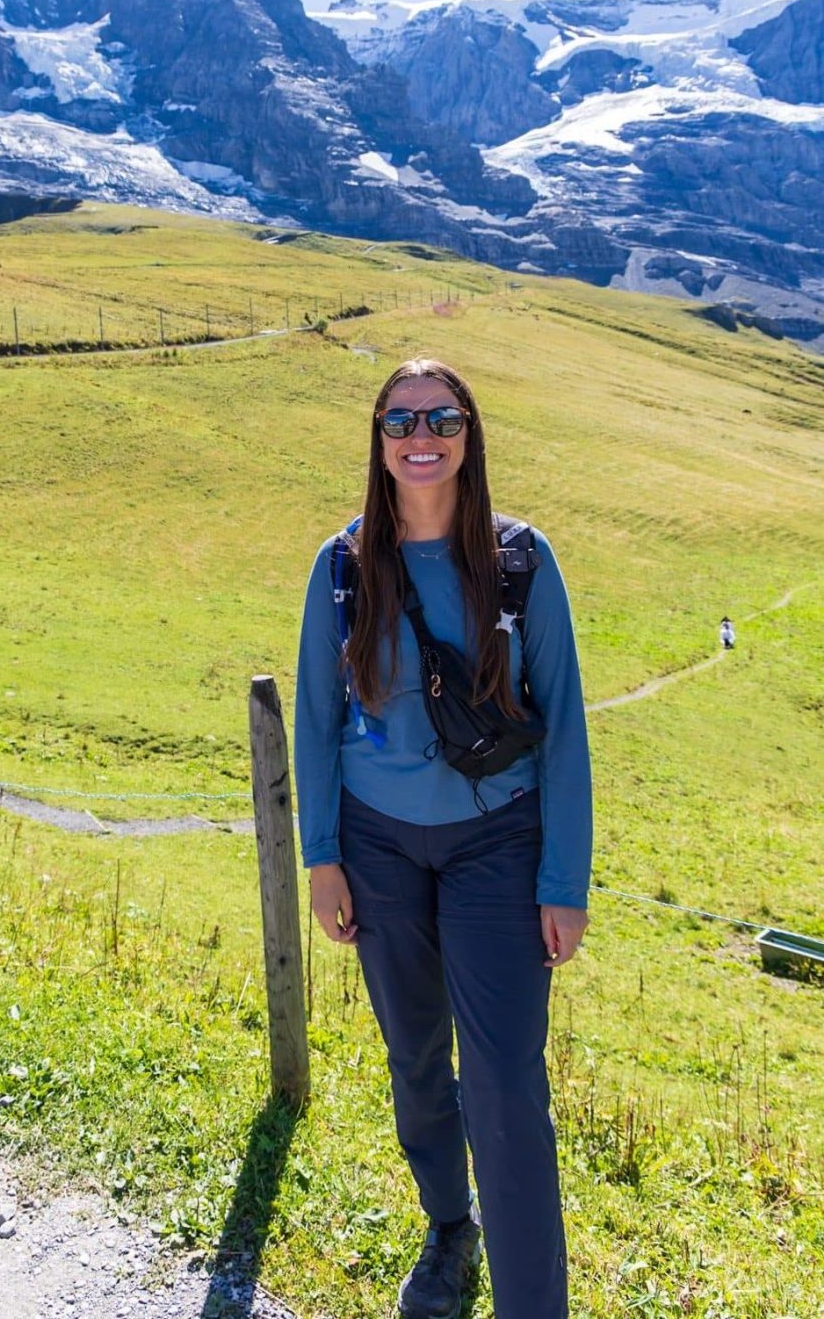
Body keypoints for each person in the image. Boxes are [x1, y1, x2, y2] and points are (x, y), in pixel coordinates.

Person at [295, 357, 592, 1319]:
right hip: (376, 851)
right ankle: (447, 1230)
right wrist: (321, 857)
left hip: (495, 848)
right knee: (416, 1057)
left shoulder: (520, 560)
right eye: (399, 421)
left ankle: (531, 1305)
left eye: (442, 418)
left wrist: (563, 878)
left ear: (469, 435)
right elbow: (314, 718)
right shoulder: (341, 566)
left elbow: (567, 725)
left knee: (504, 1085)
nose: (420, 437)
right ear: (377, 441)